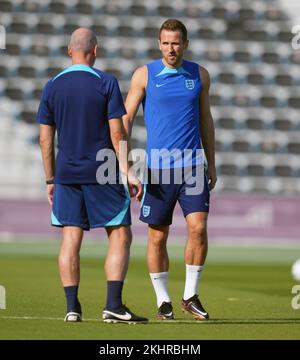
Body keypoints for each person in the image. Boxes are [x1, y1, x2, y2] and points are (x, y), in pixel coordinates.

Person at [36, 28, 148, 324]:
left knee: (70, 238)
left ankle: (72, 308)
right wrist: (128, 171)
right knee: (120, 233)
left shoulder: (51, 86)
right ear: (95, 51)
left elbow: (45, 140)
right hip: (103, 172)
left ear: (68, 50)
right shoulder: (106, 82)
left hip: (67, 174)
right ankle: (113, 305)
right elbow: (116, 131)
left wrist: (51, 179)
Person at [123, 19, 217, 320]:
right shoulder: (144, 75)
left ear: (185, 44)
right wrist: (125, 165)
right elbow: (125, 120)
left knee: (198, 228)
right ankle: (163, 300)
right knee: (157, 237)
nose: (170, 48)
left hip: (192, 168)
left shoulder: (199, 75)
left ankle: (190, 294)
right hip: (158, 170)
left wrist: (211, 162)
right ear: (158, 43)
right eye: (165, 42)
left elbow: (206, 120)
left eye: (175, 42)